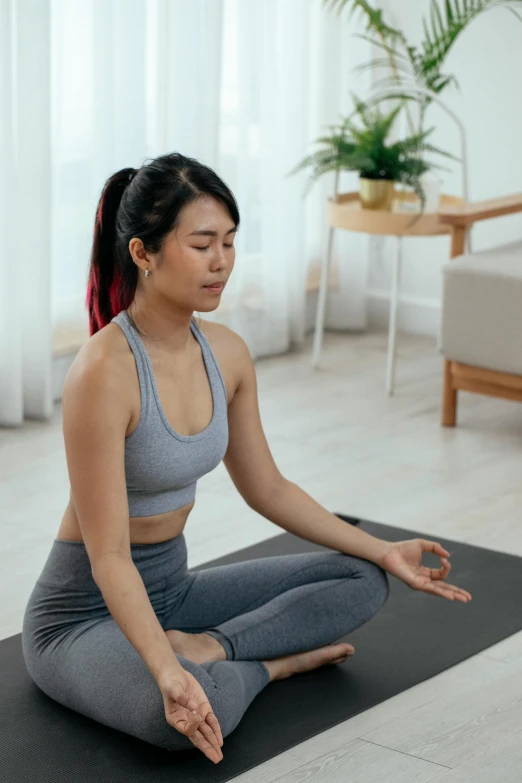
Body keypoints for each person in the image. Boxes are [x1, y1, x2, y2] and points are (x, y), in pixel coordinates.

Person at [21, 152, 472, 765]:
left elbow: (269, 488)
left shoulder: (227, 355)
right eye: (202, 243)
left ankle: (212, 648)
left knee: (362, 578)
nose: (222, 262)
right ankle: (271, 668)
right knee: (175, 714)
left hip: (172, 593)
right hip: (81, 615)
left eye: (230, 242)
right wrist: (165, 670)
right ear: (142, 253)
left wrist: (382, 549)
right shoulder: (103, 372)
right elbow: (108, 557)